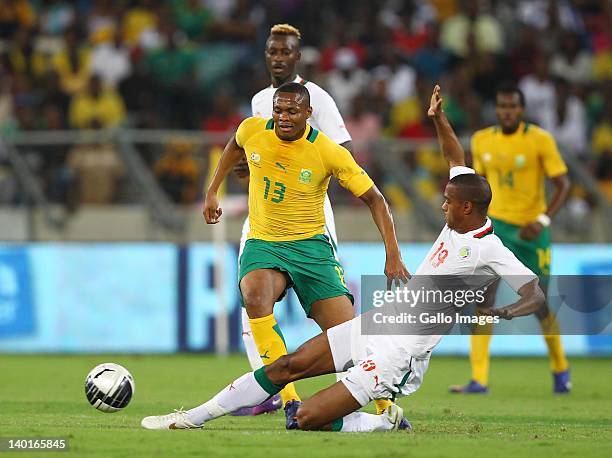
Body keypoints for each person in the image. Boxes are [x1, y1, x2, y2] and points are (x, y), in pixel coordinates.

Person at [141, 85, 545, 432]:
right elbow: (455, 157)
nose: (442, 206)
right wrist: (439, 119)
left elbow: (536, 295)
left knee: (302, 418)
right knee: (286, 366)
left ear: (470, 208)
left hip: (398, 355)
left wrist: (499, 314)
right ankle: (190, 417)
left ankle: (382, 421)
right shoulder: (459, 213)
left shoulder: (489, 247)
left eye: (449, 202)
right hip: (381, 323)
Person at [233, 23, 398, 423]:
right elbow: (254, 146)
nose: (277, 58)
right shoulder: (259, 100)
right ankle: (280, 393)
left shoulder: (318, 98)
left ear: (297, 56)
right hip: (264, 214)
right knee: (252, 301)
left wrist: (303, 181)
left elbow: (341, 153)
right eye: (271, 51)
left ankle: (379, 398)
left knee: (332, 318)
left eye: (285, 52)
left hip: (310, 217)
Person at [450, 82, 571, 394]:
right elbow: (474, 184)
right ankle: (479, 378)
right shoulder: (481, 139)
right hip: (496, 229)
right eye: (502, 106)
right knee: (483, 298)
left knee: (540, 302)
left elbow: (563, 185)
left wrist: (542, 219)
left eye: (512, 107)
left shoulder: (540, 140)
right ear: (497, 109)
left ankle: (560, 369)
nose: (507, 112)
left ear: (522, 109)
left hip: (532, 231)